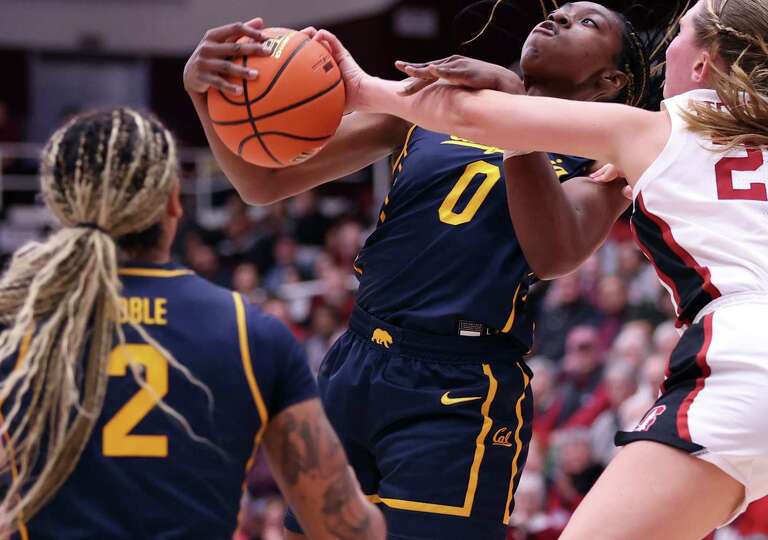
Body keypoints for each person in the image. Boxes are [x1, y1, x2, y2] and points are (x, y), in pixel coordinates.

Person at [319, 0, 768, 535]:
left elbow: (480, 119)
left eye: (683, 32)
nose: (667, 51)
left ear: (702, 66)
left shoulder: (654, 130)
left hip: (765, 361)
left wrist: (362, 87)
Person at [182, 6, 668, 538]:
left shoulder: (603, 161)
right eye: (557, 11)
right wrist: (204, 95)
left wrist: (513, 107)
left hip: (460, 387)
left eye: (584, 23)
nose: (554, 18)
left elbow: (554, 253)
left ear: (610, 80)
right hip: (356, 360)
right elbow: (263, 183)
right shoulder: (439, 106)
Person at [0, 109, 383, 539]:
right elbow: (345, 528)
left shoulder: (15, 327)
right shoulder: (249, 331)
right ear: (174, 202)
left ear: (58, 205)